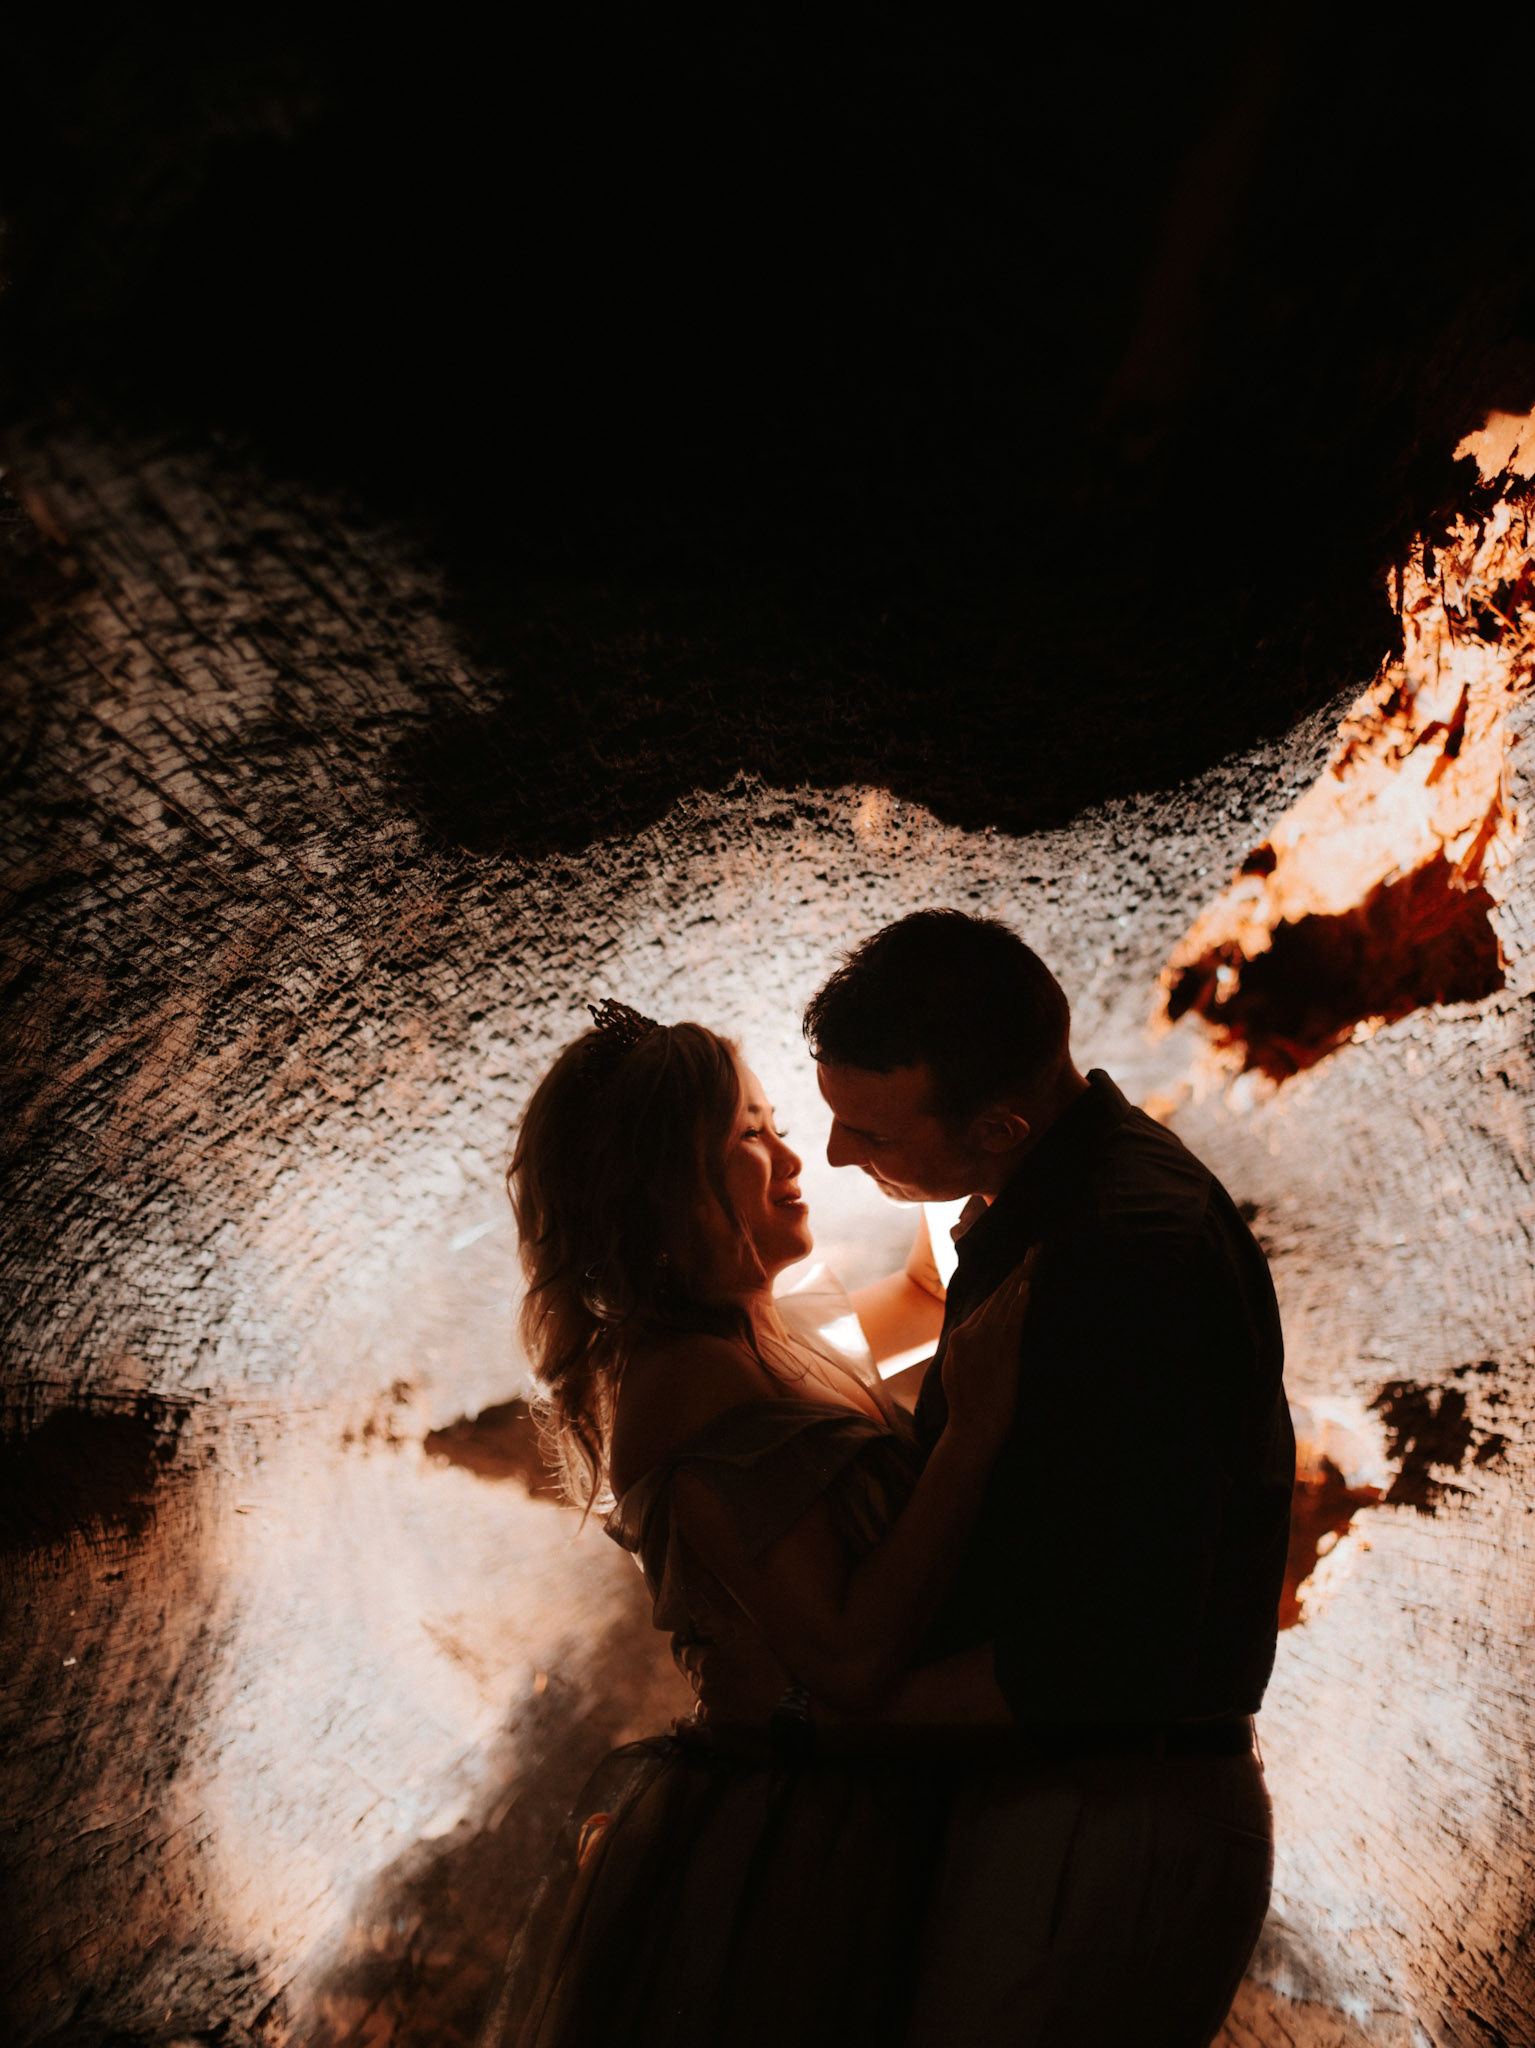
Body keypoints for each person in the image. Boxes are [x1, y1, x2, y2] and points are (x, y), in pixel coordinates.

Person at [784, 908, 1294, 2044]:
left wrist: (837, 1720)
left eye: (864, 1128)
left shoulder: (1118, 1253)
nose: (831, 1157)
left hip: (1110, 1820)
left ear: (999, 1120)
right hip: (1075, 1803)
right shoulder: (1055, 1204)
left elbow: (1104, 1650)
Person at [485, 997, 1033, 2048]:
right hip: (809, 1850)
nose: (792, 1156)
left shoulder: (759, 1327)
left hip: (851, 1807)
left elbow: (921, 1299)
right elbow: (848, 1655)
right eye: (747, 1132)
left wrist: (972, 1170)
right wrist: (977, 1430)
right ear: (658, 1179)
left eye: (774, 1120)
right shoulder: (690, 1379)